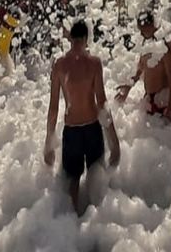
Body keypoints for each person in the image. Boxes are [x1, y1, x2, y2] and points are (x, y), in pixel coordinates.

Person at [44, 21, 120, 215]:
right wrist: (114, 141)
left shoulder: (59, 65)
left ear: (71, 39)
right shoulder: (94, 63)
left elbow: (53, 107)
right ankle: (96, 228)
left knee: (73, 183)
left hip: (72, 130)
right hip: (93, 128)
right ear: (87, 39)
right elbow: (102, 103)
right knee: (97, 178)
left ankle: (71, 228)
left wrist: (49, 142)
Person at [115, 12, 171, 120]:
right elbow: (140, 69)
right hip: (149, 98)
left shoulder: (163, 48)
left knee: (160, 133)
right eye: (140, 29)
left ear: (152, 25)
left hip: (162, 100)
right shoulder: (145, 45)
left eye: (143, 29)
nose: (141, 33)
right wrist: (127, 88)